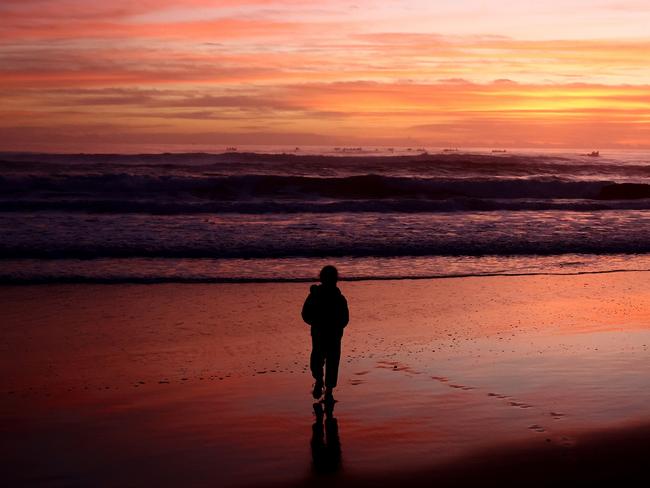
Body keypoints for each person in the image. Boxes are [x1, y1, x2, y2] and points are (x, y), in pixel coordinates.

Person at [301, 265, 349, 400]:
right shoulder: (334, 297)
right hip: (329, 333)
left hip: (323, 332)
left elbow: (305, 314)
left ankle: (324, 386)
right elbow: (345, 319)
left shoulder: (336, 297)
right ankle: (325, 386)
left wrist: (315, 322)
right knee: (329, 360)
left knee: (320, 359)